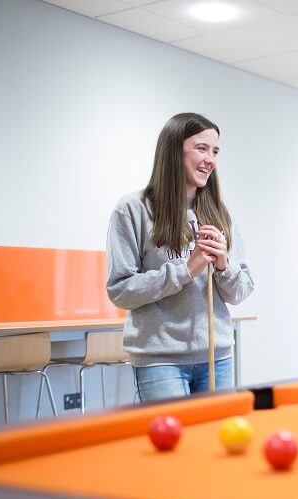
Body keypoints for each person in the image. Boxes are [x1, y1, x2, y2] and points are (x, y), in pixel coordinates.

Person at [106, 113, 254, 401]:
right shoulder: (133, 209)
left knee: (214, 442)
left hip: (217, 355)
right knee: (176, 445)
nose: (210, 159)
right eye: (201, 148)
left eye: (215, 151)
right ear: (174, 151)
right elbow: (120, 290)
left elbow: (242, 290)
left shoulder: (219, 212)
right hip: (160, 360)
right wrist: (185, 270)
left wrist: (223, 265)